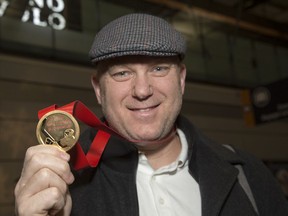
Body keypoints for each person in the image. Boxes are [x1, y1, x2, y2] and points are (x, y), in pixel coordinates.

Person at [14, 13, 288, 216]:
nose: (143, 90)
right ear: (98, 90)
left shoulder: (247, 174)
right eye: (122, 73)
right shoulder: (61, 182)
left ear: (181, 80)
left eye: (158, 68)